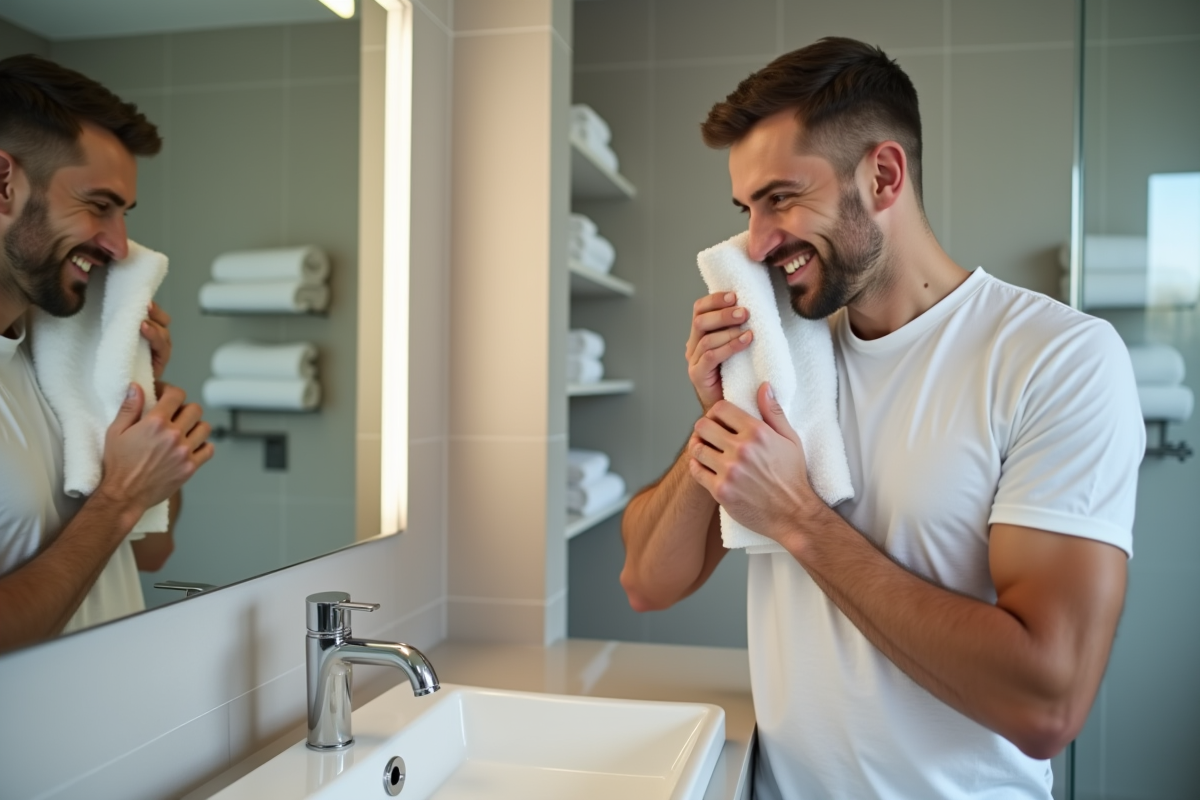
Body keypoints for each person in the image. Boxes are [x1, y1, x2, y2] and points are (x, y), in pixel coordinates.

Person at [620, 37, 1143, 799]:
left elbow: (1047, 701)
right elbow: (645, 582)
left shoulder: (1055, 359)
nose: (757, 244)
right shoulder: (791, 362)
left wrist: (800, 518)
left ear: (884, 176)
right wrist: (723, 411)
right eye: (746, 209)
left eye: (782, 198)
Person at [0, 54, 213, 652]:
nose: (120, 246)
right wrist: (117, 498)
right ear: (3, 183)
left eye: (123, 214)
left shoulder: (62, 357)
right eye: (98, 205)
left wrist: (144, 406)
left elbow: (152, 549)